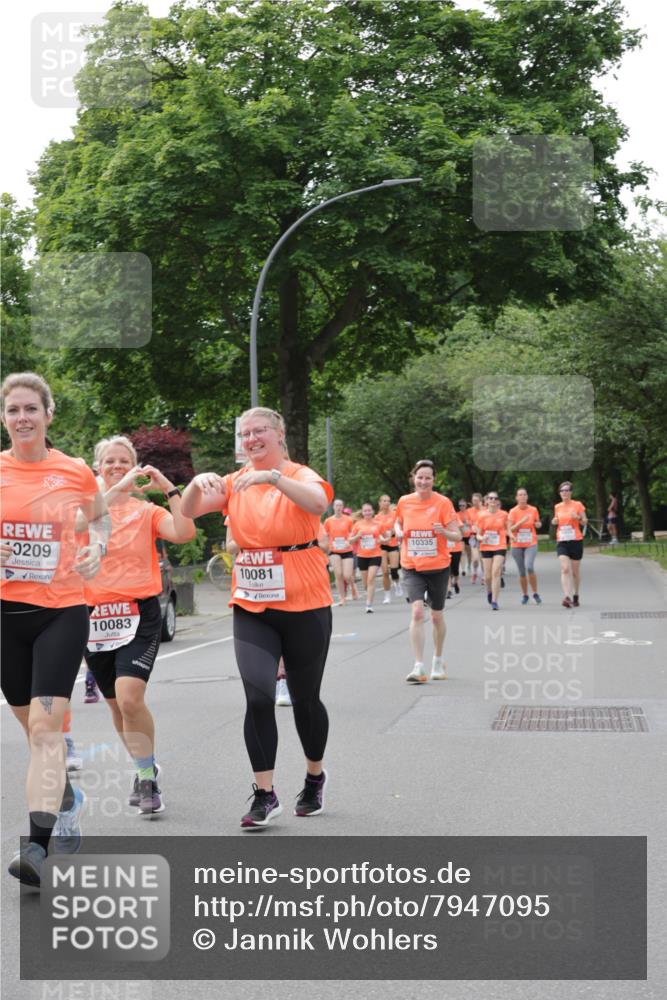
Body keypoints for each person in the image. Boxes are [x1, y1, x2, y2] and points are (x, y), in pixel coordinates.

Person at [181, 407, 333, 829]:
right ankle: (265, 794)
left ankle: (314, 778)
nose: (251, 439)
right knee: (258, 697)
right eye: (244, 434)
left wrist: (273, 478)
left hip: (305, 602)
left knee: (305, 699)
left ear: (279, 433)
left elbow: (319, 502)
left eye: (259, 430)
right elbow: (191, 511)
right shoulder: (234, 483)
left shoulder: (300, 474)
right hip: (252, 606)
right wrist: (195, 484)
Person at [1, 372, 110, 887]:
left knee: (46, 731)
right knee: (32, 731)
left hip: (62, 610)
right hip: (6, 616)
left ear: (48, 415)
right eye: (12, 410)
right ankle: (65, 797)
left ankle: (36, 849)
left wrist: (97, 547)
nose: (21, 418)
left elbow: (100, 518)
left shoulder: (74, 471)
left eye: (30, 409)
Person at [83, 435, 196, 816]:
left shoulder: (145, 511)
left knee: (131, 698)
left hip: (138, 613)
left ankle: (148, 780)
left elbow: (184, 533)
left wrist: (169, 489)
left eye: (123, 461)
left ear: (134, 468)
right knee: (117, 707)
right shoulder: (87, 510)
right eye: (109, 461)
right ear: (98, 467)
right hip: (94, 618)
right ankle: (142, 766)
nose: (116, 466)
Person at [394, 460, 460, 683]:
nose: (423, 481)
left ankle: (438, 660)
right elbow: (396, 523)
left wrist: (444, 532)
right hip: (412, 565)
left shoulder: (443, 503)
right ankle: (418, 666)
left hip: (438, 566)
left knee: (436, 616)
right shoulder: (404, 501)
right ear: (413, 478)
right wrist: (399, 532)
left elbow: (457, 535)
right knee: (417, 612)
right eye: (420, 477)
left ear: (434, 480)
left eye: (428, 478)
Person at [553, 481, 587, 608]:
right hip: (562, 541)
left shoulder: (578, 505)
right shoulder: (557, 507)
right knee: (565, 568)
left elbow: (585, 522)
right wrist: (554, 521)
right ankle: (567, 596)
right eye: (562, 491)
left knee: (575, 572)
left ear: (571, 492)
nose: (564, 492)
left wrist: (577, 517)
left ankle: (576, 595)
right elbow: (556, 520)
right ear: (560, 493)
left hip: (576, 540)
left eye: (567, 490)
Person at [348, 503, 385, 613]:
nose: (367, 513)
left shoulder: (378, 524)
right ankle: (368, 594)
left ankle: (369, 604)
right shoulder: (358, 525)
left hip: (376, 554)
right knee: (365, 583)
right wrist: (357, 536)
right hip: (362, 555)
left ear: (372, 511)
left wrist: (382, 540)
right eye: (365, 511)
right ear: (362, 513)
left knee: (371, 578)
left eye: (369, 510)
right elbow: (350, 540)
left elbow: (386, 537)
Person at [508, 488, 542, 605]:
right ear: (517, 498)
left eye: (524, 495)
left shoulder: (533, 510)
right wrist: (521, 522)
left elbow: (538, 522)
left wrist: (538, 524)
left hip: (530, 543)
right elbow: (510, 529)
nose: (522, 497)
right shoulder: (513, 511)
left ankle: (535, 592)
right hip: (517, 544)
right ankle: (525, 595)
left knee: (529, 567)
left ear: (527, 497)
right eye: (520, 495)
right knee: (522, 572)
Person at [475, 493, 508, 611]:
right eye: (490, 498)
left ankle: (494, 600)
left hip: (500, 545)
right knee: (488, 576)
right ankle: (489, 591)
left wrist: (513, 536)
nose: (493, 500)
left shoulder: (504, 514)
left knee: (496, 573)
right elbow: (478, 534)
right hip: (486, 546)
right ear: (486, 501)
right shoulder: (481, 515)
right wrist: (481, 538)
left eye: (495, 498)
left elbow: (508, 529)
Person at [322, 499, 355, 605]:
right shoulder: (328, 521)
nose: (339, 507)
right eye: (337, 505)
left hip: (347, 549)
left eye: (340, 505)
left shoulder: (349, 520)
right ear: (333, 507)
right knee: (338, 574)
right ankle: (342, 598)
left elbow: (352, 533)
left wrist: (349, 540)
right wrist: (326, 548)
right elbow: (325, 535)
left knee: (347, 575)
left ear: (343, 507)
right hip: (334, 550)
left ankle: (353, 585)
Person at [376, 494, 402, 603]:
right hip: (382, 545)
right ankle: (387, 596)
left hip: (393, 543)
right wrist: (381, 536)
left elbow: (399, 527)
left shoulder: (395, 514)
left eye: (388, 501)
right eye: (384, 501)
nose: (386, 503)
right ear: (380, 503)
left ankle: (397, 583)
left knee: (394, 571)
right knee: (385, 572)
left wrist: (393, 532)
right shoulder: (377, 517)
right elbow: (375, 531)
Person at [467, 493, 483, 584]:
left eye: (477, 501)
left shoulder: (485, 510)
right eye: (473, 501)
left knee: (482, 558)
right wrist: (471, 527)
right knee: (476, 558)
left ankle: (484, 575)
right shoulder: (469, 511)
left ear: (480, 501)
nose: (475, 502)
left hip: (483, 536)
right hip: (473, 536)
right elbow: (468, 523)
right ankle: (475, 572)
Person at [456, 499, 473, 577]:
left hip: (469, 535)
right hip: (461, 536)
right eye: (460, 505)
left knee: (469, 552)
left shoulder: (469, 513)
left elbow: (473, 523)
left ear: (466, 506)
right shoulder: (457, 514)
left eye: (463, 505)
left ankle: (469, 565)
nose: (461, 507)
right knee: (462, 552)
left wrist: (468, 523)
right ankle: (463, 569)